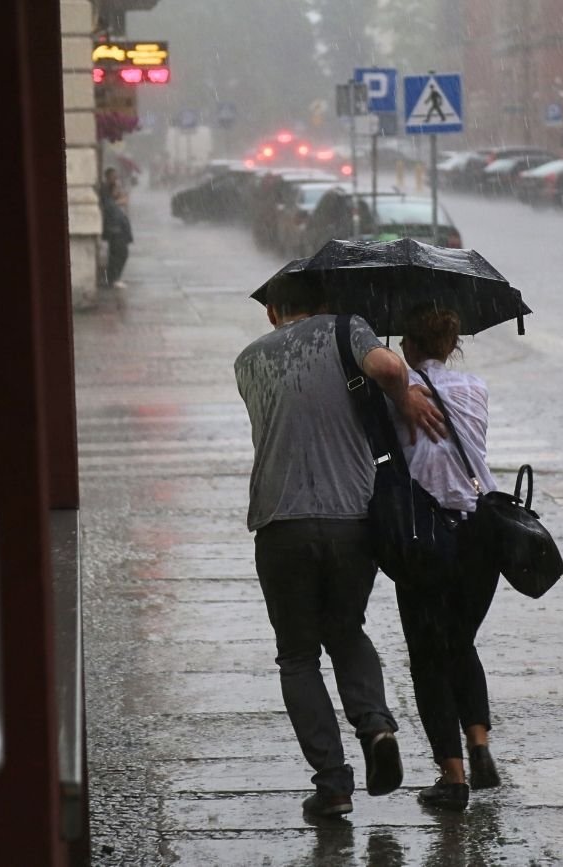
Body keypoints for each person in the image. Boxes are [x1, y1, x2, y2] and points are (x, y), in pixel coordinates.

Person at [234, 281, 445, 819]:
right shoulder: (346, 329)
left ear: (273, 311)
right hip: (351, 518)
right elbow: (391, 368)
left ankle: (332, 785)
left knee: (297, 655)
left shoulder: (247, 360)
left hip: (280, 523)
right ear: (324, 302)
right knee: (346, 631)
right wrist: (404, 396)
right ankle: (375, 728)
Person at [390, 305, 502, 812]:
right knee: (460, 641)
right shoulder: (475, 387)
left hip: (426, 533)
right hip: (481, 532)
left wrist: (397, 385)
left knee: (427, 655)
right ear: (452, 344)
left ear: (408, 344)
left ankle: (453, 777)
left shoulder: (398, 394)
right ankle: (479, 745)